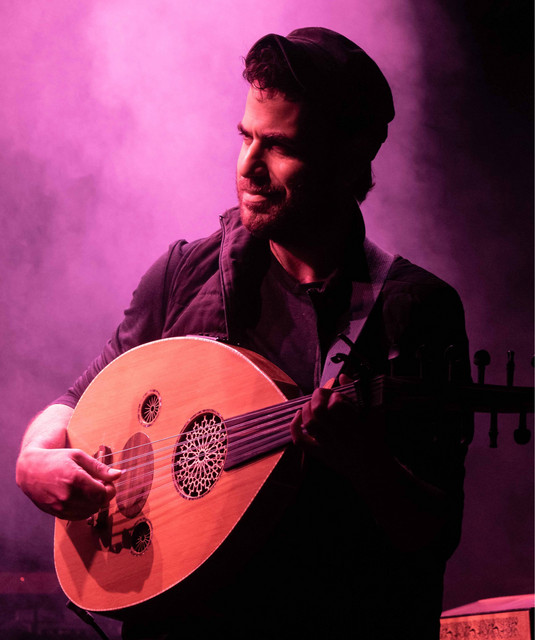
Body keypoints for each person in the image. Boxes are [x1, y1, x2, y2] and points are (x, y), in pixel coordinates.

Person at [16, 27, 472, 639]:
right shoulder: (185, 272)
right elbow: (78, 399)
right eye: (246, 136)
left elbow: (432, 534)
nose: (249, 166)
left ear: (350, 159)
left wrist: (365, 463)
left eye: (279, 145)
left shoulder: (412, 308)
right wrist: (33, 459)